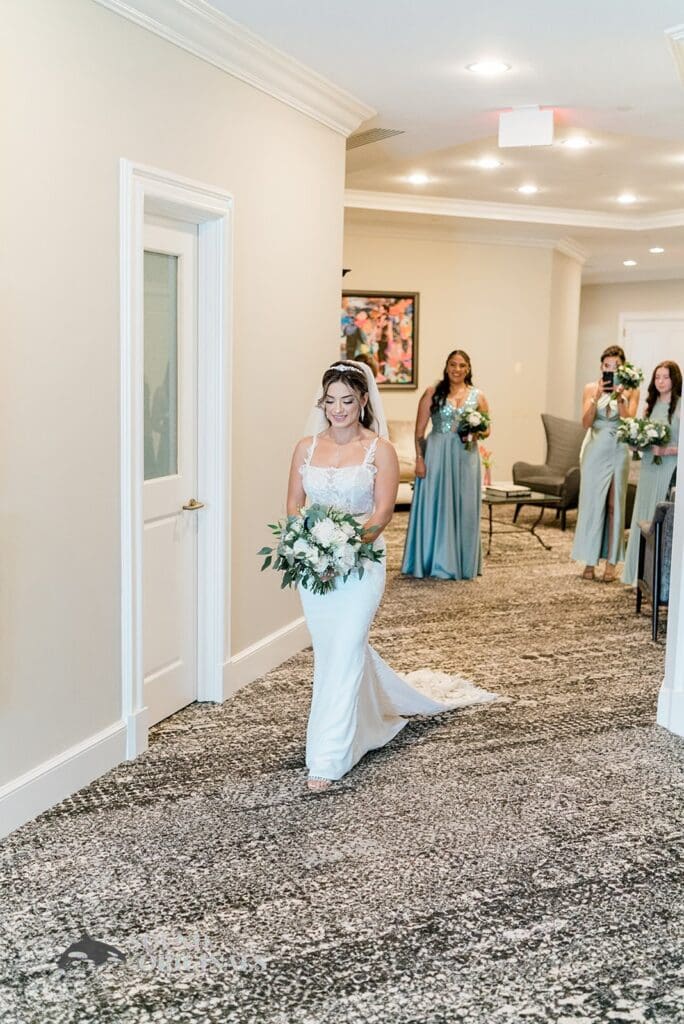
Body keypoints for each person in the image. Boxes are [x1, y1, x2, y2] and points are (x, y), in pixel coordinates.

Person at [286, 360, 497, 791]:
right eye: (331, 401)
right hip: (316, 568)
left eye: (347, 400)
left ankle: (327, 757)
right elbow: (293, 505)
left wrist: (344, 547)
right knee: (334, 653)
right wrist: (311, 545)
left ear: (363, 400)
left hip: (361, 564)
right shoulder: (305, 447)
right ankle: (368, 723)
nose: (338, 409)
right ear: (322, 403)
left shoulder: (378, 449)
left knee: (346, 647)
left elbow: (382, 512)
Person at [401, 350, 490, 580]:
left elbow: (487, 429)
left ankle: (464, 562)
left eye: (462, 365)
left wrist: (476, 430)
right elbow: (419, 431)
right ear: (446, 366)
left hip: (466, 456)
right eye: (453, 364)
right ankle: (433, 560)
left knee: (466, 507)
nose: (457, 369)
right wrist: (419, 459)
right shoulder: (432, 393)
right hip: (437, 454)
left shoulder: (478, 396)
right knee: (435, 504)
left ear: (468, 369)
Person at [571, 345, 640, 582]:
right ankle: (589, 561)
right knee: (593, 506)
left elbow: (629, 420)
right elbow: (585, 423)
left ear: (623, 367)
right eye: (607, 365)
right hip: (595, 450)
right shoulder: (591, 388)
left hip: (618, 450)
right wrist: (596, 398)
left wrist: (620, 396)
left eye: (616, 366)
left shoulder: (631, 390)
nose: (611, 369)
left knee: (614, 506)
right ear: (601, 366)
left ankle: (611, 563)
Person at [622, 361, 681, 586]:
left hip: (668, 469)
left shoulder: (680, 406)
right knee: (642, 515)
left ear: (674, 380)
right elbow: (645, 438)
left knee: (658, 520)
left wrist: (666, 450)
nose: (660, 382)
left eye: (665, 377)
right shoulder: (649, 406)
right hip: (648, 467)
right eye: (657, 377)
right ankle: (636, 575)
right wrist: (636, 444)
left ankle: (656, 577)